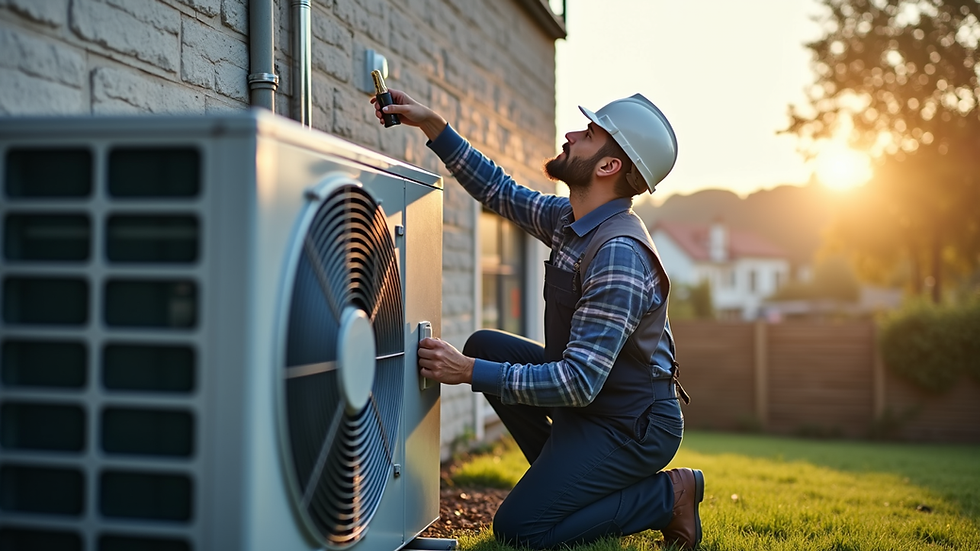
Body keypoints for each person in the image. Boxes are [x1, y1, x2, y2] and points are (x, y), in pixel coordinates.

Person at [372, 89, 704, 550]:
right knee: (488, 346)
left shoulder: (618, 255)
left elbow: (577, 383)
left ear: (608, 167)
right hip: (591, 409)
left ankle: (668, 496)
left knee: (520, 529)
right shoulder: (572, 220)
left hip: (631, 424)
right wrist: (432, 124)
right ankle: (565, 484)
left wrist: (466, 373)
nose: (570, 135)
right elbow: (500, 192)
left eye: (588, 134)